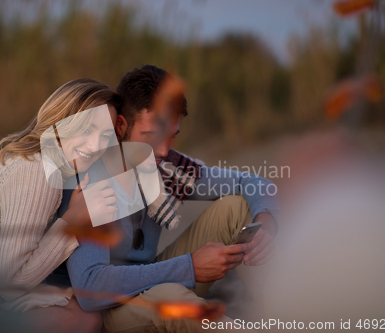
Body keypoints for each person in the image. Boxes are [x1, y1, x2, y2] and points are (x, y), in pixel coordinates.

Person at [62, 65, 281, 332]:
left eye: (171, 137)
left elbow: (254, 183)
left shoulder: (167, 167)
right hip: (110, 309)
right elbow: (90, 286)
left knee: (238, 207)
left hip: (155, 277)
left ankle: (286, 312)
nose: (164, 151)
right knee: (175, 301)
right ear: (121, 126)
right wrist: (189, 267)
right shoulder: (92, 175)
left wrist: (267, 223)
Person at [0, 78, 122, 333]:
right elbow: (12, 282)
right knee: (82, 320)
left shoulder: (46, 163)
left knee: (84, 313)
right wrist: (74, 221)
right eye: (87, 129)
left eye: (105, 135)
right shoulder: (37, 170)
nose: (97, 145)